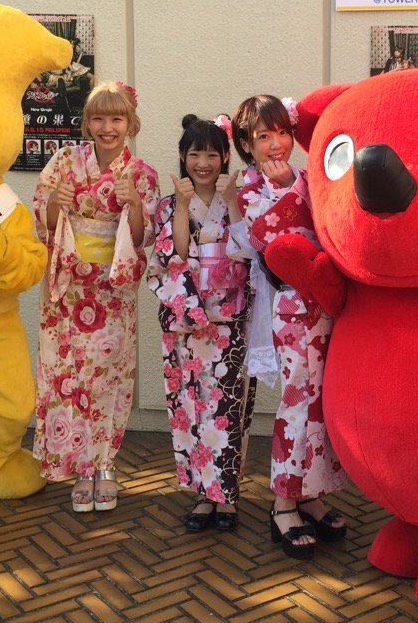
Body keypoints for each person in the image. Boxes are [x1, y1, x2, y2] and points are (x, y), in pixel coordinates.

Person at [32, 81, 160, 512]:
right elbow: (44, 223)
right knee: (68, 376)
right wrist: (56, 202)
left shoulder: (141, 174)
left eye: (117, 119)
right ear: (87, 124)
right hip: (68, 289)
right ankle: (80, 469)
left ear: (130, 123)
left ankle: (105, 464)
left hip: (111, 289)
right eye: (99, 118)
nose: (108, 127)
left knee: (109, 377)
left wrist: (135, 205)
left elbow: (143, 240)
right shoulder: (64, 162)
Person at [232, 94, 347, 559]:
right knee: (298, 400)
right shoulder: (249, 189)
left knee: (323, 401)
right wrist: (291, 190)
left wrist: (297, 186)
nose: (276, 144)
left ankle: (311, 493)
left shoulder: (307, 175)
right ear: (246, 143)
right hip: (292, 305)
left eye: (282, 132)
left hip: (326, 301)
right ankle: (283, 501)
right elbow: (268, 238)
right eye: (263, 136)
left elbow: (331, 222)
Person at [147, 114, 255, 532]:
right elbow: (173, 255)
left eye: (212, 154)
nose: (203, 163)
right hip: (186, 321)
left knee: (227, 408)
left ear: (226, 156)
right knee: (190, 407)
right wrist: (179, 204)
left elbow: (246, 249)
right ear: (182, 156)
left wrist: (231, 201)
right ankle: (203, 496)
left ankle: (226, 496)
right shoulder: (169, 203)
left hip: (229, 321)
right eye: (195, 154)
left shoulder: (240, 198)